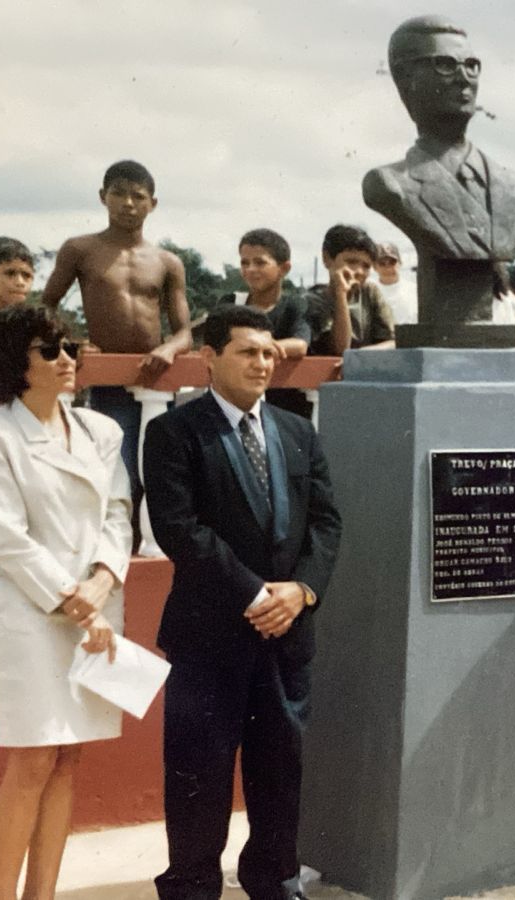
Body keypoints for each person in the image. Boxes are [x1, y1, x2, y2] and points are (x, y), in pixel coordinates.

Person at [144, 304, 342, 900]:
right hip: (209, 638)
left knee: (281, 774)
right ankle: (194, 886)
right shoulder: (175, 431)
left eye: (268, 352)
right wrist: (257, 593)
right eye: (248, 352)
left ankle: (276, 881)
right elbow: (180, 530)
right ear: (210, 358)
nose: (263, 363)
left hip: (287, 638)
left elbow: (326, 524)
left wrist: (301, 591)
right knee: (199, 778)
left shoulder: (297, 430)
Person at [0, 305, 130, 900]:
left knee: (67, 760)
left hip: (98, 610)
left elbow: (118, 515)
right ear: (15, 365)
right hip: (33, 616)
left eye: (69, 348)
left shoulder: (102, 431)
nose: (65, 360)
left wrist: (102, 585)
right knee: (32, 761)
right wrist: (75, 601)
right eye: (48, 350)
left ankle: (43, 895)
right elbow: (6, 540)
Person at [40, 160, 190, 527]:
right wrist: (74, 343)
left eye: (137, 196)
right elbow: (46, 306)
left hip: (155, 380)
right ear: (102, 197)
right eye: (118, 193)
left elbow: (184, 331)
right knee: (117, 469)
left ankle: (145, 552)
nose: (128, 203)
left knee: (156, 470)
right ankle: (111, 552)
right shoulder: (81, 249)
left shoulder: (167, 261)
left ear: (152, 203)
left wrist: (168, 349)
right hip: (108, 382)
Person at [362, 15, 515, 263]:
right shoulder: (390, 185)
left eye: (471, 65)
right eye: (445, 64)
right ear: (404, 78)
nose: (464, 77)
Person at [223, 229, 313, 418]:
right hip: (236, 406)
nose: (250, 269)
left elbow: (300, 344)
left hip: (285, 408)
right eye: (245, 263)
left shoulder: (295, 305)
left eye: (260, 262)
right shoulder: (231, 303)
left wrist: (264, 346)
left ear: (284, 268)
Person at [306, 224, 395, 356]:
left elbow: (394, 342)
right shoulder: (312, 301)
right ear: (327, 259)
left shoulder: (370, 293)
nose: (359, 271)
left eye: (366, 266)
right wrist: (341, 295)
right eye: (351, 261)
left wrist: (359, 356)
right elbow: (340, 349)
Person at [374, 240, 417, 326]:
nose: (388, 268)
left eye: (392, 262)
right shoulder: (370, 291)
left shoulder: (415, 289)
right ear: (374, 267)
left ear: (400, 263)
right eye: (382, 263)